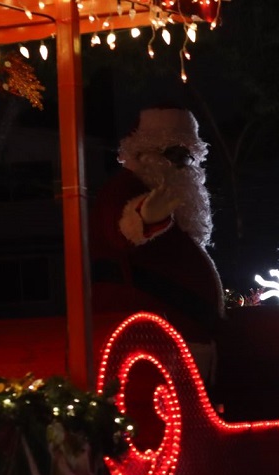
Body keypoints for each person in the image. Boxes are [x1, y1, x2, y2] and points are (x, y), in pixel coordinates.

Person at [88, 105, 225, 381]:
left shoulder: (173, 211)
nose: (180, 165)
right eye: (172, 154)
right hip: (149, 348)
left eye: (187, 156)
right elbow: (119, 229)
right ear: (144, 153)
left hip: (184, 342)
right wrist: (143, 216)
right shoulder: (124, 188)